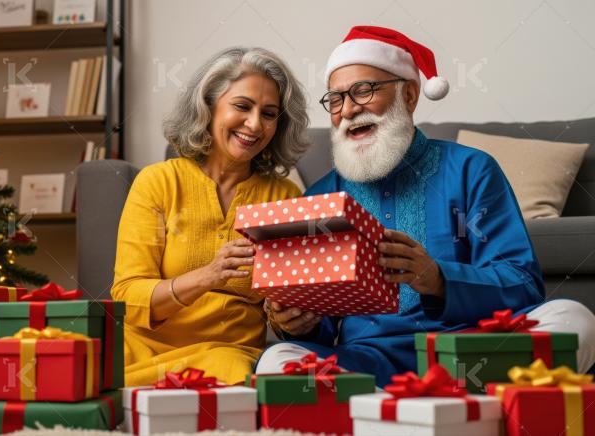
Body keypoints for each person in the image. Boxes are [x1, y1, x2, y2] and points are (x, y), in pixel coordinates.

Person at [256, 26, 595, 386]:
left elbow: (522, 284)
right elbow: (322, 328)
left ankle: (395, 405)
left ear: (410, 95)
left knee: (574, 320)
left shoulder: (471, 170)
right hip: (369, 361)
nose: (349, 110)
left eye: (363, 91)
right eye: (336, 99)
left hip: (471, 351)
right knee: (277, 359)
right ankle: (440, 402)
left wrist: (438, 278)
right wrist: (297, 322)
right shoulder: (321, 197)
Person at [112, 47, 309, 386]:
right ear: (208, 106)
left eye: (269, 113)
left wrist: (288, 318)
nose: (254, 124)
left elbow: (283, 315)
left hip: (226, 356)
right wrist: (208, 276)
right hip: (141, 352)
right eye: (242, 106)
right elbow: (127, 297)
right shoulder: (158, 182)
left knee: (235, 369)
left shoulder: (285, 197)